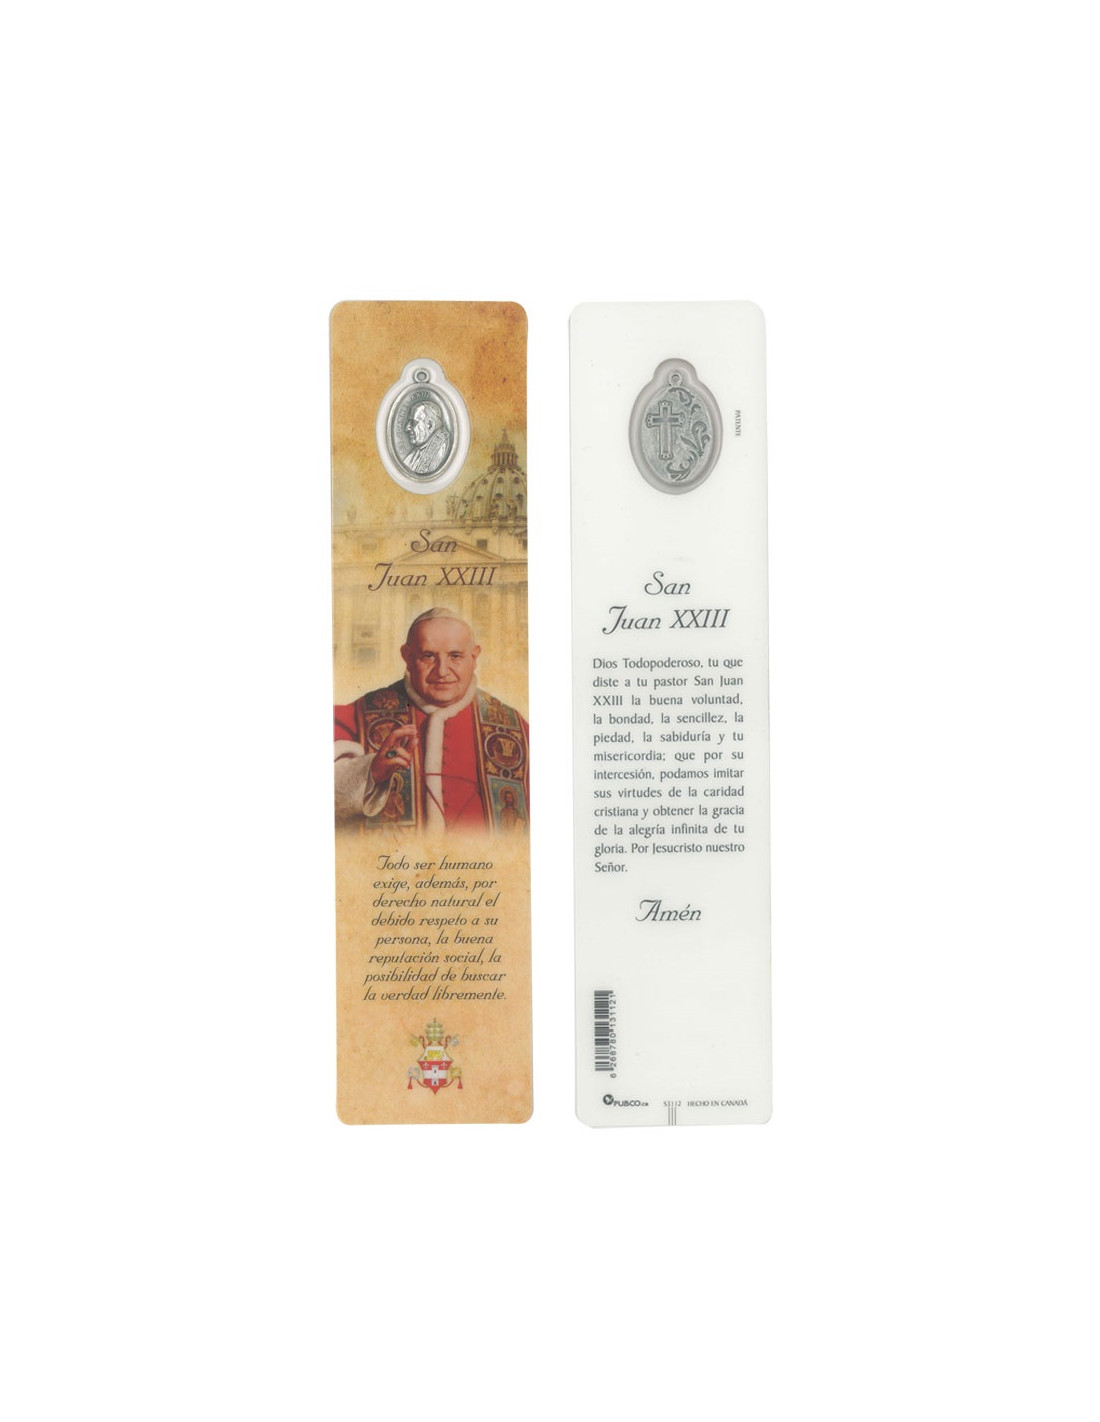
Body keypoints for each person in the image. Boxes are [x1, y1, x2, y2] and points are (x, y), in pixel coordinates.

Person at [334, 608, 529, 833]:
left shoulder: (515, 727)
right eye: (428, 656)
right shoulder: (356, 715)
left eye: (455, 656)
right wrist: (371, 773)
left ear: (474, 657)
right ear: (407, 657)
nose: (442, 671)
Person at [401, 401, 450, 475]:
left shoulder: (444, 448)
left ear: (429, 425)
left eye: (413, 422)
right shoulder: (417, 450)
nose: (407, 428)